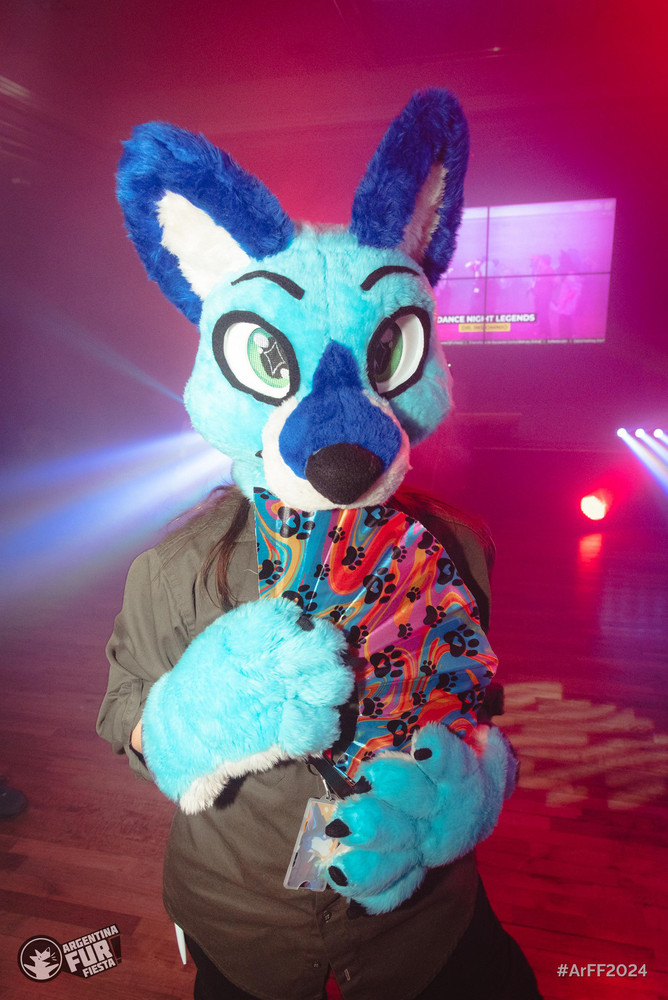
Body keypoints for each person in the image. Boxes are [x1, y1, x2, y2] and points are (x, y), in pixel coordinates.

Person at [97, 484, 541, 1000]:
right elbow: (120, 710)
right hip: (243, 914)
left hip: (421, 914)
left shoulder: (451, 543)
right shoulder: (181, 566)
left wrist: (476, 784)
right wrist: (192, 714)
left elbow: (466, 696)